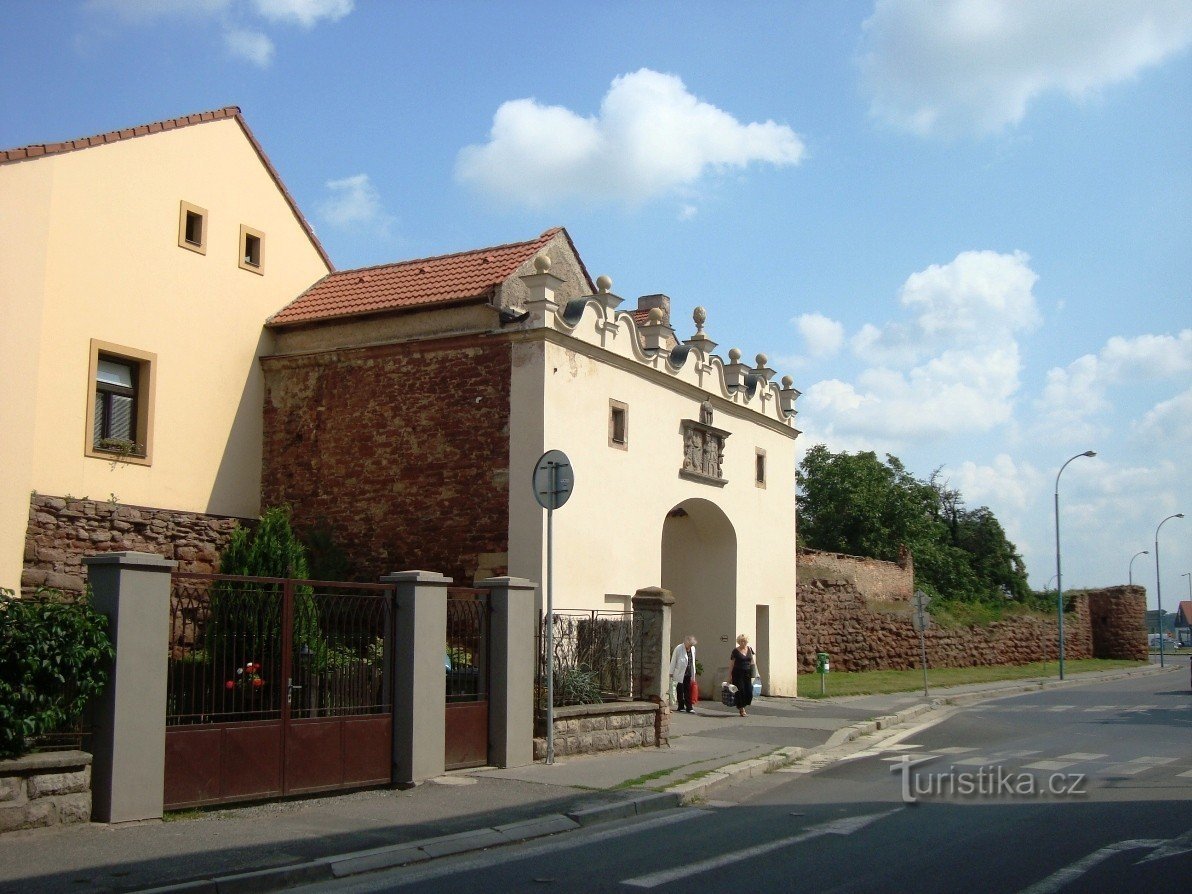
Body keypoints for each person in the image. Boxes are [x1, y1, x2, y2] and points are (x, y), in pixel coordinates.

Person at [729, 634, 757, 717]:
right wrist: (729, 676)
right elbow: (731, 664)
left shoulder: (750, 649)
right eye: (741, 641)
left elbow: (752, 661)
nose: (743, 643)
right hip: (737, 673)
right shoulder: (735, 651)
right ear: (738, 642)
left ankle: (744, 704)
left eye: (744, 641)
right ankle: (742, 709)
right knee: (740, 691)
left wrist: (755, 672)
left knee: (749, 690)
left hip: (747, 673)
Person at [669, 635, 697, 713]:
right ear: (685, 643)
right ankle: (681, 706)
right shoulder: (678, 648)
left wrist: (693, 673)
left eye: (691, 645)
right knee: (680, 689)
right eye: (689, 645)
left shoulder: (693, 649)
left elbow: (692, 661)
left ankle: (689, 707)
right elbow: (673, 660)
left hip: (688, 672)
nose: (690, 647)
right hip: (680, 672)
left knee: (688, 690)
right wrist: (671, 672)